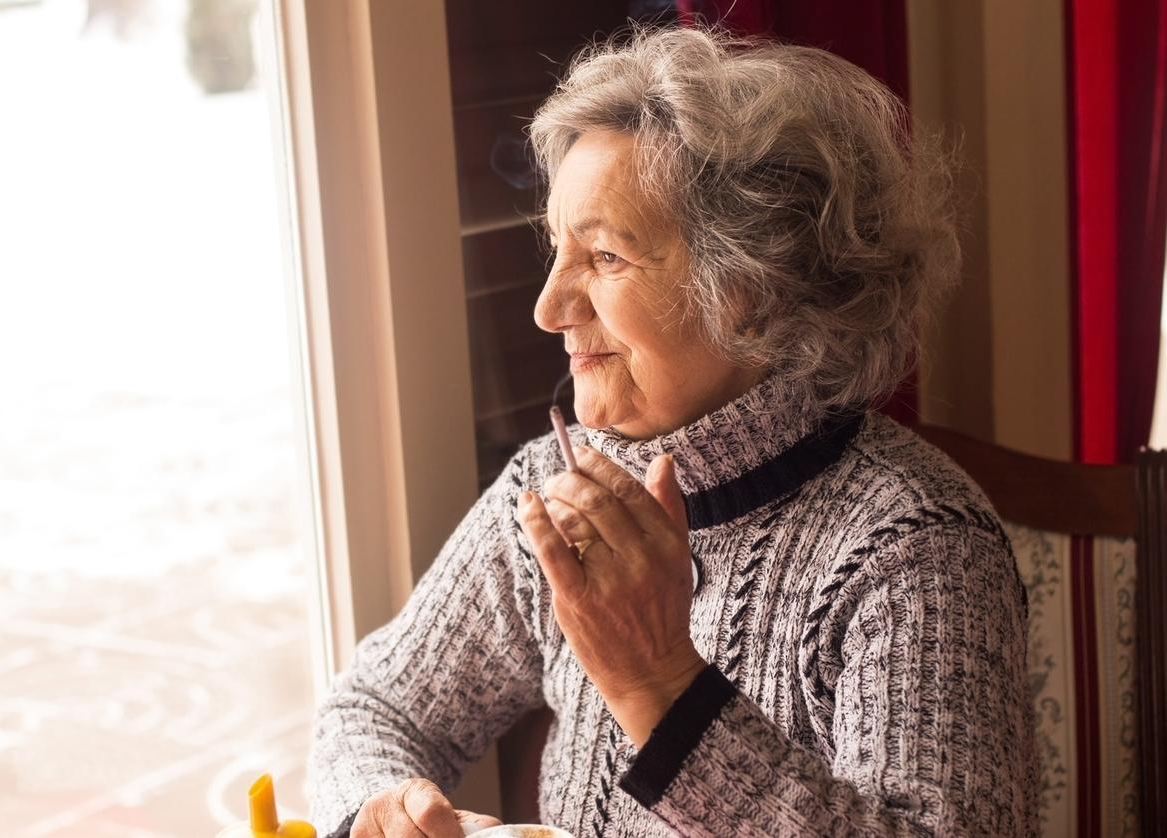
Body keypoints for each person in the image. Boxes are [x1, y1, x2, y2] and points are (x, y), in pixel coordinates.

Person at [304, 25, 1038, 838]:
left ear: (751, 290)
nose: (548, 308)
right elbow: (376, 705)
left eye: (607, 257)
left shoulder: (915, 546)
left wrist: (659, 683)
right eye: (557, 247)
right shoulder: (552, 486)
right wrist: (381, 806)